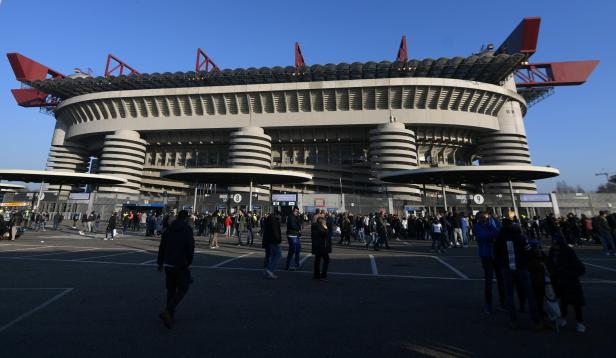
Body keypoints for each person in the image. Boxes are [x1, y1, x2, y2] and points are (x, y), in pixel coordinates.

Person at [494, 218, 540, 328]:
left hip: (507, 268)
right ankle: (536, 320)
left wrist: (501, 264)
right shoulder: (519, 237)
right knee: (529, 293)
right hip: (521, 267)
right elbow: (529, 252)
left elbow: (496, 254)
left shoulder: (499, 238)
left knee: (509, 295)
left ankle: (513, 320)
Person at [157, 210, 195, 329]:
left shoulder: (168, 230)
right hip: (181, 263)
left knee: (171, 290)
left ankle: (170, 316)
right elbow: (190, 247)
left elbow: (162, 247)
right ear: (185, 218)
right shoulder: (187, 230)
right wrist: (189, 262)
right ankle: (168, 310)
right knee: (183, 288)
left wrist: (160, 263)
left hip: (168, 263)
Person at [548, 235, 587, 333]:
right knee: (563, 302)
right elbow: (550, 264)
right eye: (553, 244)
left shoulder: (568, 252)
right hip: (559, 281)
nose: (554, 246)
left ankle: (580, 322)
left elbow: (581, 269)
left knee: (576, 303)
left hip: (571, 282)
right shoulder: (552, 252)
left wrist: (568, 273)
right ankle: (563, 318)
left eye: (555, 244)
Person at [474, 212, 505, 314]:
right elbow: (483, 236)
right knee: (489, 280)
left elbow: (501, 232)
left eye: (484, 218)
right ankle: (488, 304)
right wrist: (492, 228)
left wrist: (492, 223)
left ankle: (503, 302)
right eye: (480, 218)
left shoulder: (494, 223)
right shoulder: (477, 227)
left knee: (501, 279)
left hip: (497, 255)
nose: (482, 220)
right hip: (486, 256)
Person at [311, 209, 331, 281]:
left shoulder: (315, 226)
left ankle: (316, 275)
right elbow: (325, 234)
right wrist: (325, 228)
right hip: (321, 247)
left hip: (318, 246)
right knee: (326, 260)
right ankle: (323, 275)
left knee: (317, 260)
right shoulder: (319, 227)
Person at [262, 210, 282, 279]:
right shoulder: (275, 221)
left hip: (267, 240)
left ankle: (266, 269)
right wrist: (278, 240)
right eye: (279, 215)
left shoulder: (268, 219)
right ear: (277, 215)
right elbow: (275, 232)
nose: (280, 216)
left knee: (268, 255)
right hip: (273, 241)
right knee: (278, 255)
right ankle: (270, 270)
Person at [285, 206, 302, 270]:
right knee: (292, 250)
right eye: (296, 211)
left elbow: (299, 224)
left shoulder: (296, 217)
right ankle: (287, 264)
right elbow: (293, 225)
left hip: (296, 235)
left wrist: (298, 217)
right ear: (293, 211)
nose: (297, 212)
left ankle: (296, 264)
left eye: (298, 211)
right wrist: (298, 229)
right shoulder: (291, 217)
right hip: (291, 235)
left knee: (297, 249)